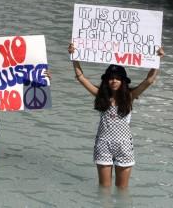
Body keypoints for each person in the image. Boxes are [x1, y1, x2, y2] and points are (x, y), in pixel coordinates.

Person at [68, 43, 164, 188]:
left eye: (117, 78)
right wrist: (74, 56)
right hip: (103, 144)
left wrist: (157, 59)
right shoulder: (100, 95)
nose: (114, 81)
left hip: (124, 146)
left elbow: (149, 80)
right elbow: (81, 78)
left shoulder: (130, 96)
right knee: (104, 188)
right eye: (111, 78)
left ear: (123, 81)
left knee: (122, 189)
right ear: (106, 81)